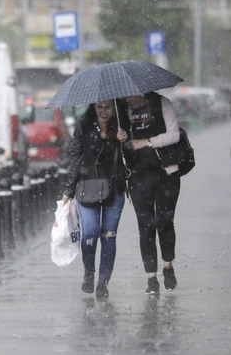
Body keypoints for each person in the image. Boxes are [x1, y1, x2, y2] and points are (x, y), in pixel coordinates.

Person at [62, 100, 128, 299]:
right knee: (89, 232)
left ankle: (103, 283)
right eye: (100, 107)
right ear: (93, 107)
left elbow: (132, 158)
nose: (104, 111)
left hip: (114, 187)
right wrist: (69, 190)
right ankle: (89, 272)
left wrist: (125, 142)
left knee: (108, 236)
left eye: (108, 107)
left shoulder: (121, 125)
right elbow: (75, 159)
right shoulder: (83, 126)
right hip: (87, 187)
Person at [122, 91, 182, 295]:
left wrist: (147, 142)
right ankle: (151, 279)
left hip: (166, 173)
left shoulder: (162, 103)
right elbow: (121, 144)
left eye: (131, 96)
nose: (128, 99)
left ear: (142, 92)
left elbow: (175, 135)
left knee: (165, 222)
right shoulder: (123, 109)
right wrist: (122, 138)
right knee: (145, 226)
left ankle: (168, 266)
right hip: (138, 176)